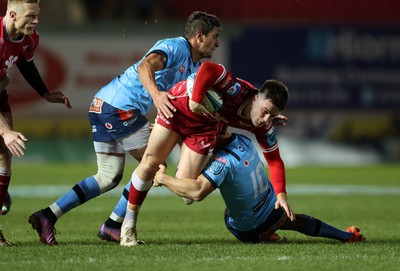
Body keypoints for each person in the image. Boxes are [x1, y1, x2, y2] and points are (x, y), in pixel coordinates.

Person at [28, 11, 222, 245]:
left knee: (108, 177)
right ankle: (115, 226)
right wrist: (157, 96)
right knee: (153, 165)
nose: (217, 43)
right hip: (120, 109)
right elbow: (144, 67)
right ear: (199, 36)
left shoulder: (194, 66)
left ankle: (47, 216)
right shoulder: (177, 47)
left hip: (102, 105)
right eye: (214, 36)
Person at [119, 61, 294, 246]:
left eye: (272, 116)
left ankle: (178, 139)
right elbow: (209, 68)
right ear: (256, 97)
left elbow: (274, 160)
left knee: (186, 195)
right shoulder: (238, 90)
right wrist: (196, 98)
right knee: (150, 163)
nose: (266, 119)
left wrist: (281, 195)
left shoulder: (264, 125)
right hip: (181, 105)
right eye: (266, 112)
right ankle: (128, 227)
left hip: (204, 127)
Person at [153, 129, 366, 243]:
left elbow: (197, 193)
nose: (199, 143)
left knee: (223, 207)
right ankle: (347, 236)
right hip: (273, 209)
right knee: (297, 220)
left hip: (247, 229)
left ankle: (265, 235)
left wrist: (162, 178)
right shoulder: (243, 139)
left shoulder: (222, 164)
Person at [0, 0, 71, 246]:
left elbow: (25, 63)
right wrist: (6, 131)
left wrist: (44, 93)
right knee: (5, 139)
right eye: (31, 16)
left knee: (4, 155)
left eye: (37, 16)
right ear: (11, 14)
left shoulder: (29, 38)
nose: (36, 21)